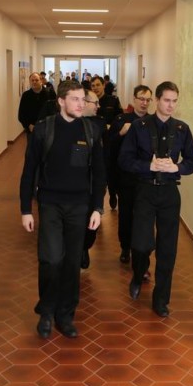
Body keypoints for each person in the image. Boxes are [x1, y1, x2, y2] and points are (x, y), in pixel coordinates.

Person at [20, 80, 106, 339]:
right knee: (50, 259)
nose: (81, 104)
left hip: (79, 205)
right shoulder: (44, 129)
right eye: (75, 99)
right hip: (50, 203)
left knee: (71, 263)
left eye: (83, 99)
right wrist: (26, 209)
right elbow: (29, 171)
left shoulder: (91, 130)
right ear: (61, 101)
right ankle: (46, 312)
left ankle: (65, 314)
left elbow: (99, 172)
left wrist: (98, 208)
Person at [118, 81, 193, 318]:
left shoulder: (182, 129)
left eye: (174, 101)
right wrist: (148, 166)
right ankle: (138, 273)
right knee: (141, 244)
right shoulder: (139, 127)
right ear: (157, 100)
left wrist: (177, 167)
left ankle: (161, 299)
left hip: (169, 193)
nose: (171, 105)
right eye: (166, 100)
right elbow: (124, 160)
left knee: (167, 249)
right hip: (145, 190)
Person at [108, 85, 152, 270]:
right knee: (126, 215)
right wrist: (121, 133)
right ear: (134, 99)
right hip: (126, 178)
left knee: (144, 218)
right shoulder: (122, 120)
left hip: (146, 179)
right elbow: (109, 144)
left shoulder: (153, 122)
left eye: (148, 100)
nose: (144, 103)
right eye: (141, 98)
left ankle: (141, 252)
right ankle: (125, 247)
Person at [81, 89, 106, 270]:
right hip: (74, 187)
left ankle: (85, 246)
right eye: (95, 102)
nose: (98, 106)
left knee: (91, 226)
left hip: (93, 184)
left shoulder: (98, 126)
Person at [91, 76, 122, 210]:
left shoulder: (113, 100)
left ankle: (113, 193)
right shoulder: (89, 101)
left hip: (111, 140)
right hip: (96, 142)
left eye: (98, 85)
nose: (95, 88)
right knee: (99, 171)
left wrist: (112, 127)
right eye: (93, 85)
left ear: (104, 85)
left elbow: (120, 118)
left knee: (112, 171)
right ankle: (99, 202)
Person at [18, 72, 49, 141]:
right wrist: (28, 125)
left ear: (41, 81)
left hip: (47, 130)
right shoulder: (26, 96)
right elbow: (21, 115)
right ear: (30, 82)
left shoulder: (49, 94)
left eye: (36, 80)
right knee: (32, 148)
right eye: (32, 80)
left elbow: (54, 112)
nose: (34, 82)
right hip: (31, 130)